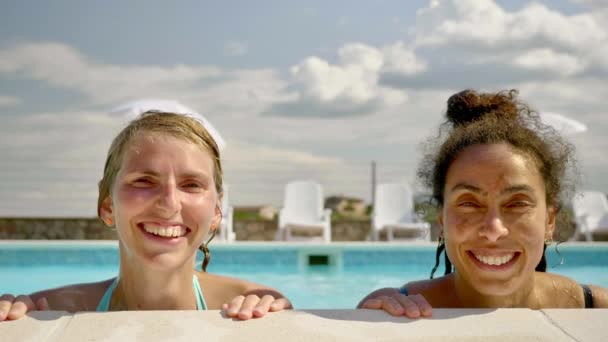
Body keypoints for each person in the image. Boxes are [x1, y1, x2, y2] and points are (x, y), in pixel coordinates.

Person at [0, 111, 291, 321]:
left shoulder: (253, 304)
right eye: (143, 181)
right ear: (107, 204)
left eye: (192, 184)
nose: (169, 203)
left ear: (216, 211)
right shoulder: (49, 311)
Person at [359, 89, 607, 313]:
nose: (493, 230)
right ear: (442, 220)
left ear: (549, 221)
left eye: (517, 203)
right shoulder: (398, 309)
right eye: (468, 203)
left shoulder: (595, 308)